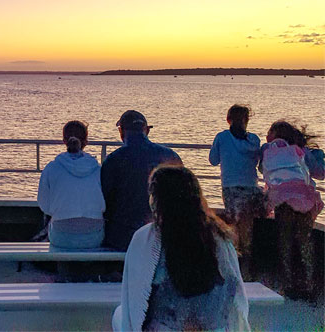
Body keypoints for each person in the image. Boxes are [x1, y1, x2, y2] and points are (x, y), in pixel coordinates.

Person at [113, 166, 249, 332]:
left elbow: (132, 304)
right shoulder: (220, 239)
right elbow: (235, 299)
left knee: (119, 314)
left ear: (157, 201)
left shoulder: (147, 239)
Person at [100, 110, 182, 251]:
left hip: (121, 237)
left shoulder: (113, 160)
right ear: (146, 131)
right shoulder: (170, 156)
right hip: (162, 233)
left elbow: (104, 199)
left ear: (121, 132)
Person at [260, 120, 324, 300]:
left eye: (270, 131)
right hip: (305, 198)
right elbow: (320, 173)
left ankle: (288, 284)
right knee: (305, 243)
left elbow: (262, 169)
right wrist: (317, 156)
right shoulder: (301, 151)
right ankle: (308, 284)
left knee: (285, 242)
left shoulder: (269, 150)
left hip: (283, 199)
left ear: (275, 135)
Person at [209, 105, 265, 270]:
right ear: (247, 120)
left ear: (228, 119)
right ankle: (248, 263)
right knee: (247, 227)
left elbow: (213, 160)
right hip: (251, 187)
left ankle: (236, 265)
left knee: (234, 226)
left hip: (231, 187)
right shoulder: (254, 140)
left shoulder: (222, 137)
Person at [37, 120, 105, 249]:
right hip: (93, 238)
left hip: (61, 237)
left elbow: (44, 205)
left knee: (51, 226)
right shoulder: (98, 169)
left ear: (64, 140)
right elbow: (105, 205)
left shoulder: (52, 168)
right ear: (86, 141)